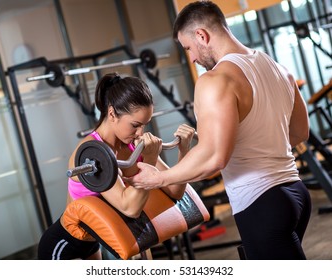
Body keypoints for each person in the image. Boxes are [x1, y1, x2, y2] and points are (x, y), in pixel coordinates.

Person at [124, 1, 312, 260]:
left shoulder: (215, 80)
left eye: (188, 48)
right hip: (296, 194)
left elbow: (214, 158)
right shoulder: (278, 68)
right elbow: (301, 132)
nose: (191, 58)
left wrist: (158, 178)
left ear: (202, 35)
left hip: (261, 202)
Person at [37, 72, 196, 260]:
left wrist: (184, 151)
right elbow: (129, 207)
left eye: (144, 125)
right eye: (135, 125)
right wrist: (149, 160)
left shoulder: (131, 145)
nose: (140, 133)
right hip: (64, 245)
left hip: (93, 242)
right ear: (112, 113)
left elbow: (175, 191)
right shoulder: (93, 153)